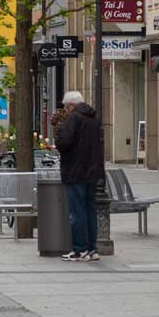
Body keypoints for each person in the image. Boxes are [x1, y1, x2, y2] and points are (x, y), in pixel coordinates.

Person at [55, 90, 105, 262]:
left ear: (71, 105)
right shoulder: (93, 119)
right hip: (92, 172)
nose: (66, 110)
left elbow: (64, 143)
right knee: (90, 210)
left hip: (76, 171)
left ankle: (79, 249)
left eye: (66, 107)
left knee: (77, 212)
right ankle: (92, 249)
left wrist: (59, 131)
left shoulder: (74, 118)